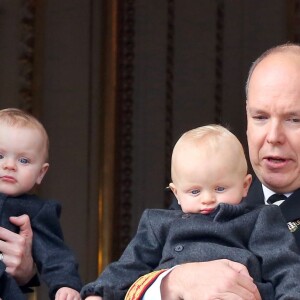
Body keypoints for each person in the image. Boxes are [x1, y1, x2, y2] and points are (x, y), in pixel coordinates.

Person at [120, 42, 300, 300]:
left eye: (294, 119)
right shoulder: (208, 195)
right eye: (260, 117)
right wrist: (172, 284)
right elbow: (124, 277)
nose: (273, 137)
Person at [80, 124, 300, 300]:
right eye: (194, 191)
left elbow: (285, 268)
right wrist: (98, 293)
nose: (208, 199)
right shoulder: (160, 223)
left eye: (220, 188)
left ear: (245, 185)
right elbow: (129, 266)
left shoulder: (259, 219)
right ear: (176, 193)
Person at [0, 108, 82, 299]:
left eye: (23, 160)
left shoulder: (35, 211)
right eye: (0, 156)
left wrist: (66, 283)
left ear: (41, 173)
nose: (9, 165)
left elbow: (55, 253)